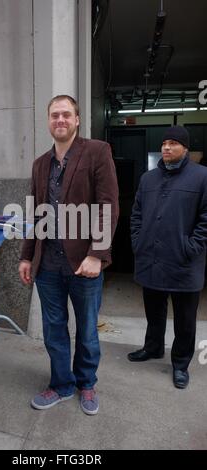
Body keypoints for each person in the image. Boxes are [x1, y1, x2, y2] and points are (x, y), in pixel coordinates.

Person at [19, 95, 119, 415]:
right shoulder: (39, 164)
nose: (60, 120)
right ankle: (61, 384)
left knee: (87, 329)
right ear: (48, 121)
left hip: (84, 264)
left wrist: (97, 253)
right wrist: (25, 256)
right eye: (54, 115)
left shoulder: (97, 151)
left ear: (77, 120)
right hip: (47, 264)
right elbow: (34, 214)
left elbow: (108, 206)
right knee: (54, 329)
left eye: (66, 114)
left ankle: (86, 383)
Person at [128, 125, 207, 389]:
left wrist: (191, 247)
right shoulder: (148, 179)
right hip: (151, 257)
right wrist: (138, 241)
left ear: (185, 148)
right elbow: (136, 213)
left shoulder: (201, 177)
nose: (166, 148)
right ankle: (152, 348)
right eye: (164, 143)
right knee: (154, 310)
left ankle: (181, 363)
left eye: (173, 143)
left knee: (185, 318)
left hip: (184, 262)